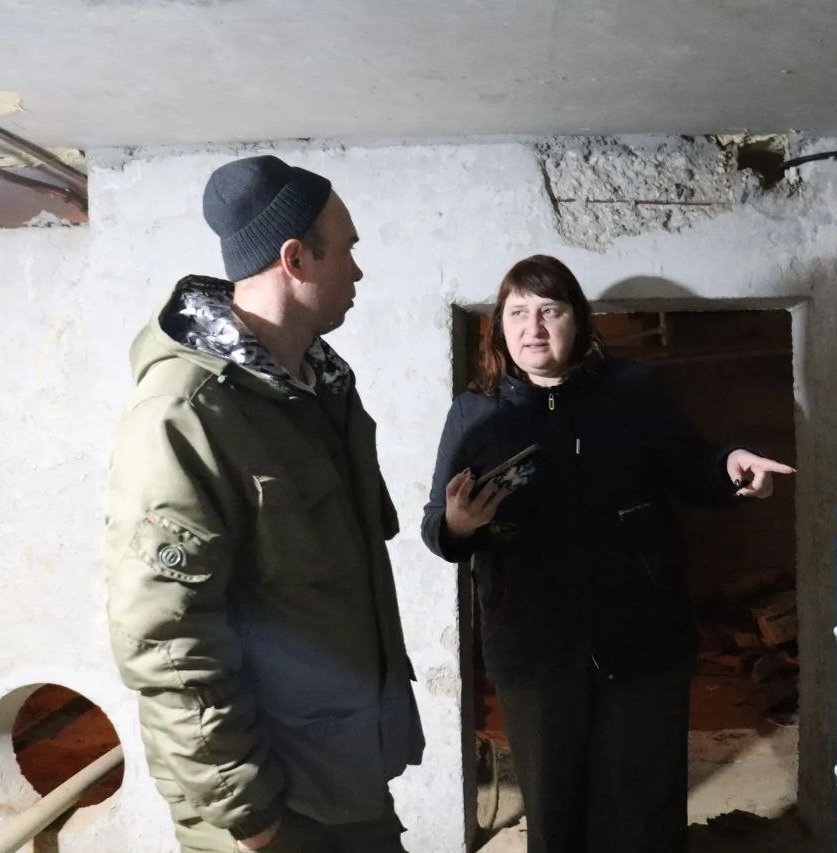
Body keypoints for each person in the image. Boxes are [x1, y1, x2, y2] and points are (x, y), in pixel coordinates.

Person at [421, 254, 794, 853]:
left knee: (645, 813)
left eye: (550, 310)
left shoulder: (632, 392)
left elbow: (692, 468)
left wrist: (730, 466)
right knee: (556, 814)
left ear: (578, 320)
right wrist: (458, 525)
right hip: (533, 647)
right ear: (498, 328)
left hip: (643, 637)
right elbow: (435, 527)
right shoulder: (475, 412)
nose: (533, 327)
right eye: (518, 313)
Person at [104, 155, 423, 853]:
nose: (358, 272)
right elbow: (165, 636)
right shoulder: (184, 413)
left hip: (344, 774)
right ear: (295, 259)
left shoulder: (320, 388)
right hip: (269, 804)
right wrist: (246, 811)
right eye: (347, 250)